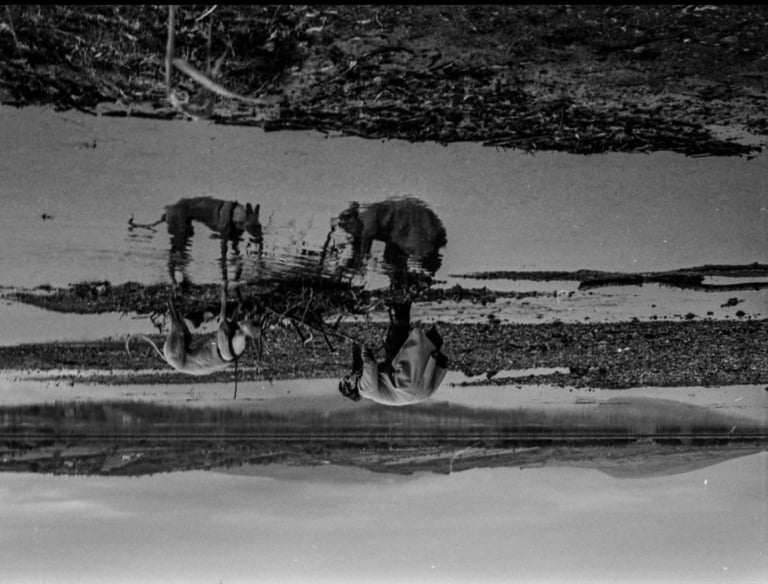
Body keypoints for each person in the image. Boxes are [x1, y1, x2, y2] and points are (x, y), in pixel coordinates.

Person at [338, 301, 448, 406]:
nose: (350, 374)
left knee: (417, 351)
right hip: (407, 387)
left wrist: (357, 348)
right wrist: (364, 348)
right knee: (394, 347)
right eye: (347, 377)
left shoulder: (364, 388)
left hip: (420, 392)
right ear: (352, 385)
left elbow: (360, 367)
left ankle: (405, 312)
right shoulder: (364, 389)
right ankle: (401, 307)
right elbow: (370, 364)